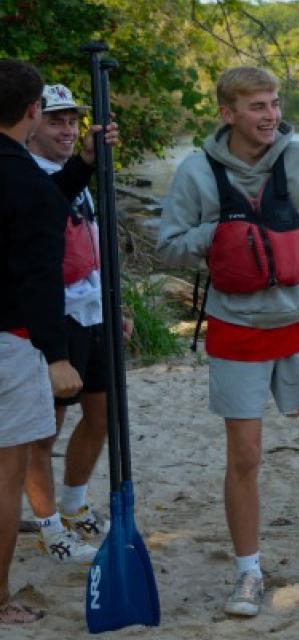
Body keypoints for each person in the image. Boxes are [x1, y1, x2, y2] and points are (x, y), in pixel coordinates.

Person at [156, 66, 299, 617]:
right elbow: (169, 247)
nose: (271, 115)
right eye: (257, 107)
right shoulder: (198, 173)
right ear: (228, 113)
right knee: (245, 456)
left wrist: (298, 220)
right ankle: (249, 573)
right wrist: (220, 233)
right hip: (236, 327)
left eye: (274, 104)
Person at [0, 61, 97, 623]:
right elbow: (39, 280)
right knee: (6, 471)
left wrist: (82, 166)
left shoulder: (33, 185)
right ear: (33, 111)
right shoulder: (25, 186)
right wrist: (57, 357)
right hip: (10, 344)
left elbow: (40, 199)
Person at [22, 84, 129, 567]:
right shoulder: (26, 177)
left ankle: (72, 503)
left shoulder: (76, 177)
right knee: (45, 430)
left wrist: (116, 303)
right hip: (53, 315)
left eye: (72, 121)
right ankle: (47, 526)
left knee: (102, 416)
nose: (67, 130)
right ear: (32, 123)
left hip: (92, 309)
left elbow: (92, 239)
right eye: (56, 121)